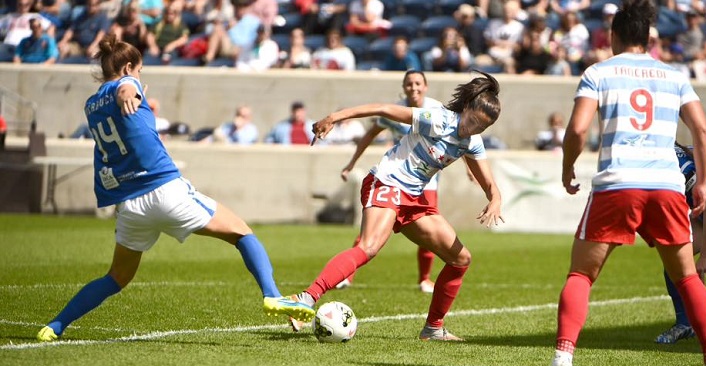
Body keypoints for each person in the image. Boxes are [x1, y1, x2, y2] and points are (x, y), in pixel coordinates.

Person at [35, 33, 314, 343]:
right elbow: (127, 88)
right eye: (139, 70)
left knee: (116, 277)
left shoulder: (91, 104)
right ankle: (273, 295)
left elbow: (119, 98)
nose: (140, 77)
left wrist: (130, 89)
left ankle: (55, 325)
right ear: (129, 67)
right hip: (164, 189)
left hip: (130, 204)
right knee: (241, 233)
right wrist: (131, 87)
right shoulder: (127, 85)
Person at [542, 0, 706, 366]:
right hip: (666, 185)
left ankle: (563, 357)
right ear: (649, 38)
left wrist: (568, 166)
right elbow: (702, 132)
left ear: (615, 35)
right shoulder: (674, 76)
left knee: (581, 275)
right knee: (687, 277)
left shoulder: (598, 72)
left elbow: (576, 130)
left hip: (617, 184)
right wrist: (702, 182)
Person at [288, 70, 505, 341]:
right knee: (369, 247)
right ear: (468, 107)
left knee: (460, 259)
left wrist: (495, 199)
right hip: (386, 183)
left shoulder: (471, 141)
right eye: (473, 121)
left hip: (413, 199)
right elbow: (383, 109)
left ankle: (433, 329)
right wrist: (334, 117)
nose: (472, 128)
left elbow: (489, 183)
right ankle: (305, 299)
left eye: (481, 127)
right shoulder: (438, 119)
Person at [335, 70, 444, 294]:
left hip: (425, 181)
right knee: (371, 229)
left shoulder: (436, 110)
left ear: (426, 86)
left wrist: (469, 169)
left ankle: (425, 279)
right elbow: (369, 134)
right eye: (409, 84)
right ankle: (347, 275)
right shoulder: (395, 111)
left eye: (418, 83)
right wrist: (352, 163)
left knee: (429, 231)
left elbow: (453, 139)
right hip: (396, 178)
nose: (413, 88)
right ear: (403, 87)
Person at [653, 144, 706, 344]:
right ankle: (685, 324)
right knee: (675, 255)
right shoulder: (669, 154)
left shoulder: (677, 166)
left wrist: (705, 256)